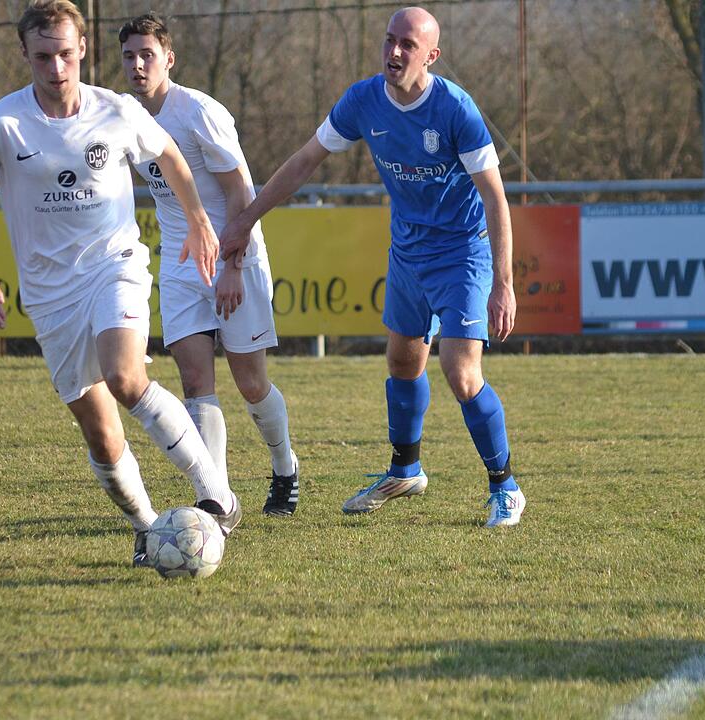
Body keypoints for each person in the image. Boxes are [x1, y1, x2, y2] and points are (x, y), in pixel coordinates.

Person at [0, 0, 241, 568]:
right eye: (43, 57)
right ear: (26, 56)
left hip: (115, 265)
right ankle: (151, 530)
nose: (56, 69)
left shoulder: (117, 111)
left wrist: (200, 219)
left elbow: (171, 155)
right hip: (50, 294)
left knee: (126, 377)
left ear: (83, 51)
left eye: (65, 55)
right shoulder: (0, 125)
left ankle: (217, 494)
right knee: (101, 434)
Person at [220, 6, 524, 527]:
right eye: (389, 41)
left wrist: (503, 283)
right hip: (407, 253)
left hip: (462, 253)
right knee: (403, 362)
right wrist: (247, 217)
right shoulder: (363, 101)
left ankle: (505, 486)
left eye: (408, 44)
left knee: (460, 372)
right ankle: (405, 470)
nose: (395, 52)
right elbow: (303, 162)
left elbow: (494, 198)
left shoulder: (455, 109)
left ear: (432, 55)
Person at [117, 13, 299, 517]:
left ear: (168, 59)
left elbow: (241, 191)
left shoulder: (198, 111)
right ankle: (216, 498)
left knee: (250, 383)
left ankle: (285, 466)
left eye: (146, 54)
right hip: (179, 264)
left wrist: (233, 266)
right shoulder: (125, 118)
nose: (137, 65)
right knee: (196, 383)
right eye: (129, 56)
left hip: (234, 256)